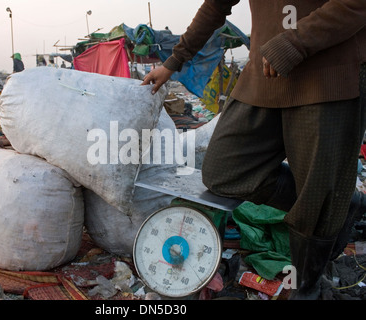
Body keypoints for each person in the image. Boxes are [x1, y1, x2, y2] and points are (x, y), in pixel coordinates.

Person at [142, 0, 366, 300]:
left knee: (318, 197)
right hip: (264, 74)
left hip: (328, 75)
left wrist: (297, 41)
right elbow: (214, 6)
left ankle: (306, 288)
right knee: (222, 171)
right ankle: (337, 204)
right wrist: (174, 61)